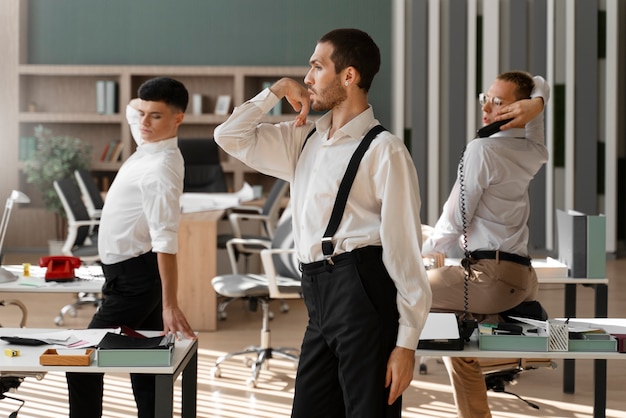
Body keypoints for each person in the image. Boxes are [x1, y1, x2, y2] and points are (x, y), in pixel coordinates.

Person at [214, 28, 432, 417]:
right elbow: (228, 135)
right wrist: (277, 90)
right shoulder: (304, 139)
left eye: (317, 67)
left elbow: (404, 250)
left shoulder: (385, 150)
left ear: (348, 76)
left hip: (362, 293)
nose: (307, 78)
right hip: (317, 295)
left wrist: (406, 344)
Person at [66, 77, 197, 418]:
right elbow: (132, 110)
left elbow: (166, 240)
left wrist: (170, 304)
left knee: (82, 360)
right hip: (129, 275)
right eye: (143, 114)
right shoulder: (149, 143)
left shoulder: (161, 168)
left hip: (135, 279)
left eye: (155, 116)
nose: (143, 122)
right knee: (146, 364)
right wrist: (146, 106)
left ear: (178, 118)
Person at [422, 71, 550, 418]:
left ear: (518, 110)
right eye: (486, 99)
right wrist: (536, 103)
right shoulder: (533, 150)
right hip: (520, 277)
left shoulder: (482, 149)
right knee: (457, 348)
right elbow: (540, 80)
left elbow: (455, 221)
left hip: (490, 278)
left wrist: (417, 253)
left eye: (499, 102)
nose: (487, 108)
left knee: (399, 291)